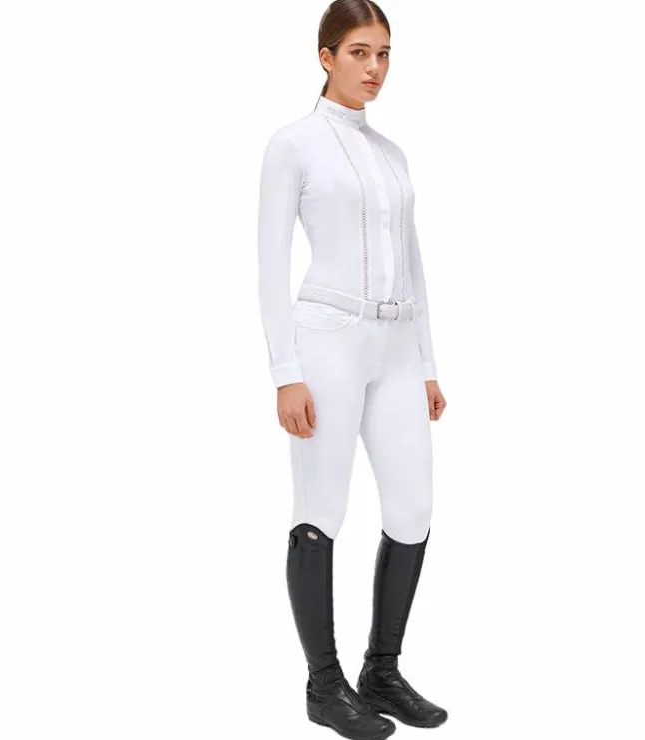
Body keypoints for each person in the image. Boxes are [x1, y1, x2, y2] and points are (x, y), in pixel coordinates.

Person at [257, 2, 448, 737]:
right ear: (326, 56)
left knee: (412, 508)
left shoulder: (392, 154)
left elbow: (415, 260)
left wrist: (427, 363)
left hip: (397, 344)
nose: (374, 67)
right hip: (327, 340)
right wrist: (285, 371)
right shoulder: (294, 145)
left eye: (385, 53)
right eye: (360, 52)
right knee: (320, 509)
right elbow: (270, 264)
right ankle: (323, 684)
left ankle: (382, 671)